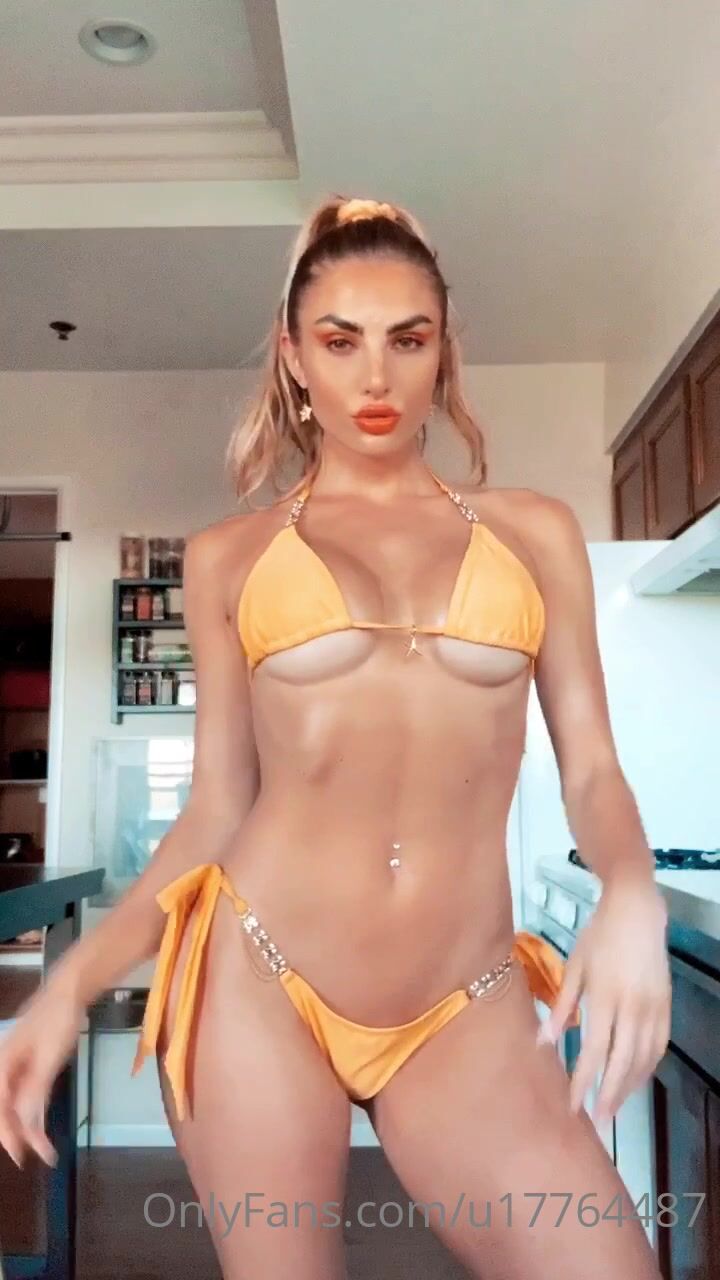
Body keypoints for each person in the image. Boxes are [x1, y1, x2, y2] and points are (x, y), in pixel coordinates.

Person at [0, 194, 671, 1279]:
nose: (375, 377)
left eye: (408, 338)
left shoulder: (533, 533)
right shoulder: (229, 557)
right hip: (264, 977)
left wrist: (633, 892)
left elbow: (591, 766)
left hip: (465, 998)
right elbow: (216, 808)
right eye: (340, 339)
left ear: (443, 348)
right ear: (293, 355)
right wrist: (67, 986)